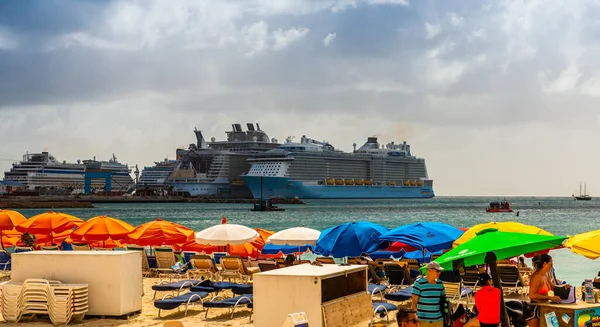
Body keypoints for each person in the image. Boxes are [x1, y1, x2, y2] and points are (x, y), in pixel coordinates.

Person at [527, 254, 562, 327]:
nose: (552, 266)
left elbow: (553, 287)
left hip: (545, 308)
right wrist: (550, 298)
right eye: (551, 264)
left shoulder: (544, 275)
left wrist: (564, 287)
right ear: (545, 264)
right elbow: (532, 295)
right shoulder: (536, 277)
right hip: (535, 310)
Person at [412, 262, 446, 327]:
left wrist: (447, 316)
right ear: (429, 270)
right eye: (437, 271)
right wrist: (414, 318)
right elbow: (414, 302)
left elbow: (444, 300)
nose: (439, 273)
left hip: (438, 320)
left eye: (440, 271)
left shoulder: (440, 283)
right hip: (423, 320)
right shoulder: (419, 283)